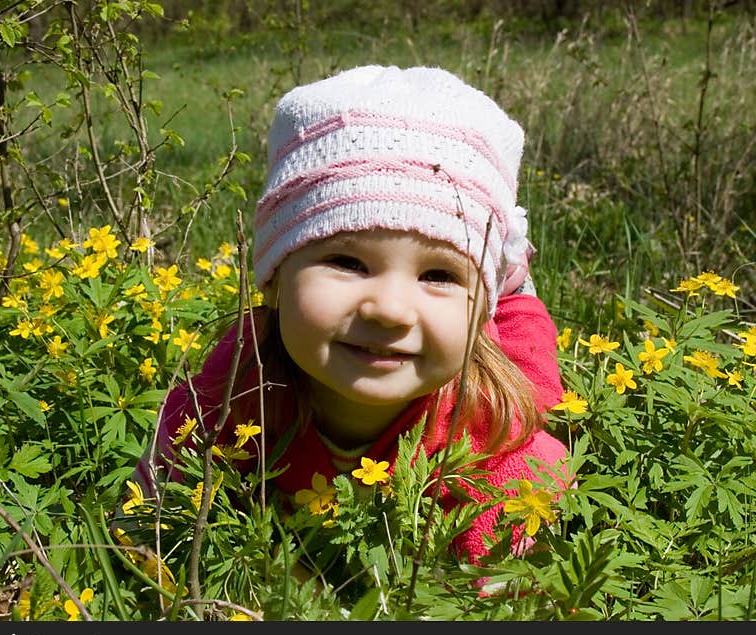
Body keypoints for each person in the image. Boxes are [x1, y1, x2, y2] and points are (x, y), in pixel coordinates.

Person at [128, 64, 571, 569]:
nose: (389, 309)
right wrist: (156, 535)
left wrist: (492, 576)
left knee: (531, 380)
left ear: (479, 309)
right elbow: (160, 500)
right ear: (272, 278)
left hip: (498, 362)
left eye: (439, 274)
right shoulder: (230, 392)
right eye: (346, 262)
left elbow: (518, 548)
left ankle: (513, 289)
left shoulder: (489, 433)